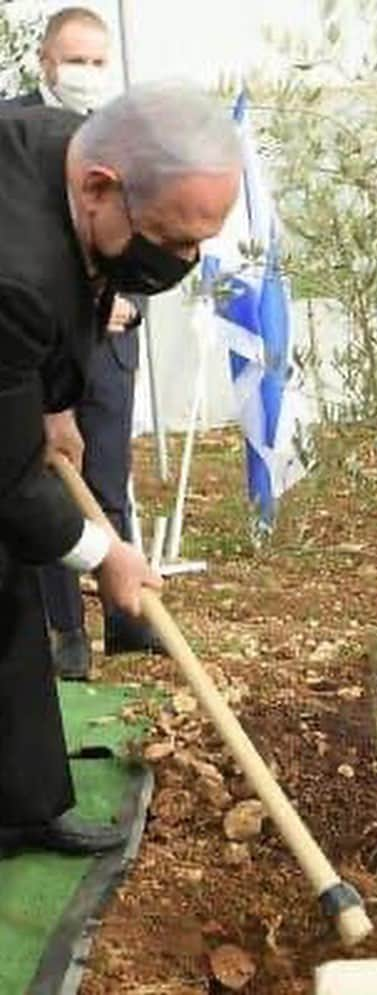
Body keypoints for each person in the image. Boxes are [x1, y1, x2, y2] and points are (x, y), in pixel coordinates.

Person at [0, 81, 241, 857]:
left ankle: (23, 804)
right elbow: (6, 484)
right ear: (100, 187)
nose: (185, 260)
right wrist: (108, 555)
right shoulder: (17, 270)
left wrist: (50, 407)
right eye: (171, 242)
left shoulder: (78, 148)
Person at [5, 6, 161, 680]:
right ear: (46, 62)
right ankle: (67, 632)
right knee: (40, 487)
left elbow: (147, 240)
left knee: (103, 482)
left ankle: (128, 621)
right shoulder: (15, 145)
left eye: (100, 62)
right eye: (77, 61)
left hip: (104, 353)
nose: (89, 75)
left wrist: (126, 300)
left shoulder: (126, 141)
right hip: (26, 367)